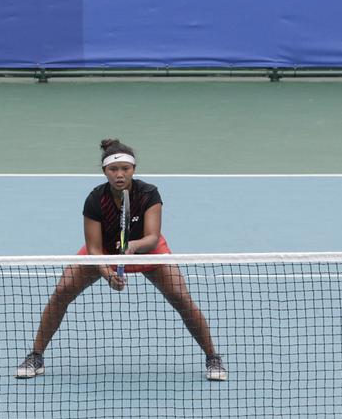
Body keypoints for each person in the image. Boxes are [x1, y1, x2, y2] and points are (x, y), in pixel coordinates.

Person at [15, 139, 227, 382]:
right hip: (105, 251)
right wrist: (108, 273)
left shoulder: (148, 194)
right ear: (105, 171)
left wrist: (133, 247)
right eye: (114, 169)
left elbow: (152, 237)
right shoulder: (95, 199)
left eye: (125, 169)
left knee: (181, 297)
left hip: (147, 251)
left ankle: (212, 357)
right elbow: (94, 249)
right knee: (62, 291)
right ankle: (36, 356)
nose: (119, 174)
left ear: (133, 170)